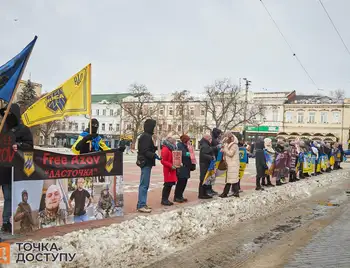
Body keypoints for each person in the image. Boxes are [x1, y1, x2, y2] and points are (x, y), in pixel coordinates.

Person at [0, 103, 33, 234]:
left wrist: (19, 145)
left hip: (16, 170)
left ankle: (8, 221)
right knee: (7, 196)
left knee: (11, 197)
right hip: (3, 168)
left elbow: (30, 145)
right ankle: (6, 221)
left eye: (9, 114)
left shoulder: (24, 129)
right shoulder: (3, 128)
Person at [136, 119, 160, 213]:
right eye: (153, 126)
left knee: (145, 184)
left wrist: (154, 148)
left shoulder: (146, 136)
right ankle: (141, 204)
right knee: (144, 184)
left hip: (146, 162)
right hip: (145, 162)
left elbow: (147, 148)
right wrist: (154, 155)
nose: (154, 128)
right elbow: (145, 151)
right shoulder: (146, 136)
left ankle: (142, 203)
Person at [219, 132, 240, 198]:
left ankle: (225, 193)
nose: (226, 139)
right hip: (230, 164)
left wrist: (225, 149)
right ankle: (236, 193)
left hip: (233, 164)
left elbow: (231, 154)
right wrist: (223, 149)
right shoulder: (229, 144)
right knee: (233, 179)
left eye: (227, 138)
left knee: (230, 179)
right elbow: (226, 152)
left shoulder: (234, 145)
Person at [174, 134, 193, 203]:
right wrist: (190, 153)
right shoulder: (180, 145)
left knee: (184, 182)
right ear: (185, 140)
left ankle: (180, 195)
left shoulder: (186, 146)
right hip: (182, 167)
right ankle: (177, 196)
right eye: (188, 140)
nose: (189, 141)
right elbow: (183, 154)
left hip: (186, 166)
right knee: (180, 182)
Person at [160, 135, 178, 206]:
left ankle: (166, 199)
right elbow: (163, 161)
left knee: (170, 184)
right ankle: (164, 200)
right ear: (170, 141)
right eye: (174, 141)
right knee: (167, 185)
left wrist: (178, 163)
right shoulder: (165, 149)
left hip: (172, 169)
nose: (175, 143)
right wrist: (171, 165)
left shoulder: (171, 149)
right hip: (168, 170)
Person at [198, 134, 215, 199]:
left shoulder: (205, 144)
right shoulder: (205, 145)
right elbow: (203, 155)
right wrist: (211, 157)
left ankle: (204, 193)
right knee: (203, 179)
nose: (211, 140)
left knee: (205, 179)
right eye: (210, 139)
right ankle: (202, 194)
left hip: (205, 164)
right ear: (207, 138)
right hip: (204, 165)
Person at [208, 128, 222, 196]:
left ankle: (210, 188)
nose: (219, 135)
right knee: (210, 175)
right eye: (218, 134)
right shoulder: (212, 139)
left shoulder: (216, 139)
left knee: (213, 175)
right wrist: (217, 147)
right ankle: (208, 189)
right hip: (212, 159)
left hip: (215, 158)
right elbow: (210, 148)